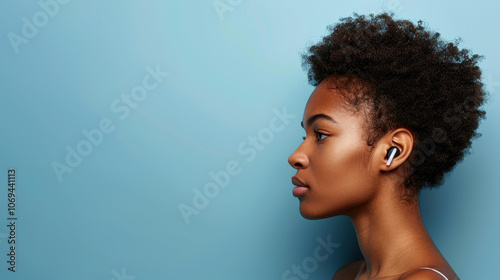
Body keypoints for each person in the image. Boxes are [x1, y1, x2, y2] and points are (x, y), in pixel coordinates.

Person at [287, 12, 488, 280]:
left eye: (321, 135)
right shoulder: (345, 276)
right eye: (305, 138)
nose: (296, 157)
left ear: (393, 151)